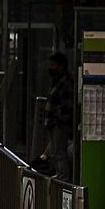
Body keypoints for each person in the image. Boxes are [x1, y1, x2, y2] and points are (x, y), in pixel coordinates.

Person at [34, 52, 75, 180]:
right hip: (53, 123)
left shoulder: (66, 83)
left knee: (59, 151)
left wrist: (58, 120)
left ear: (61, 66)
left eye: (53, 65)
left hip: (59, 123)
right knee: (55, 150)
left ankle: (63, 177)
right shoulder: (57, 83)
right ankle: (60, 173)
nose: (50, 68)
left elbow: (65, 106)